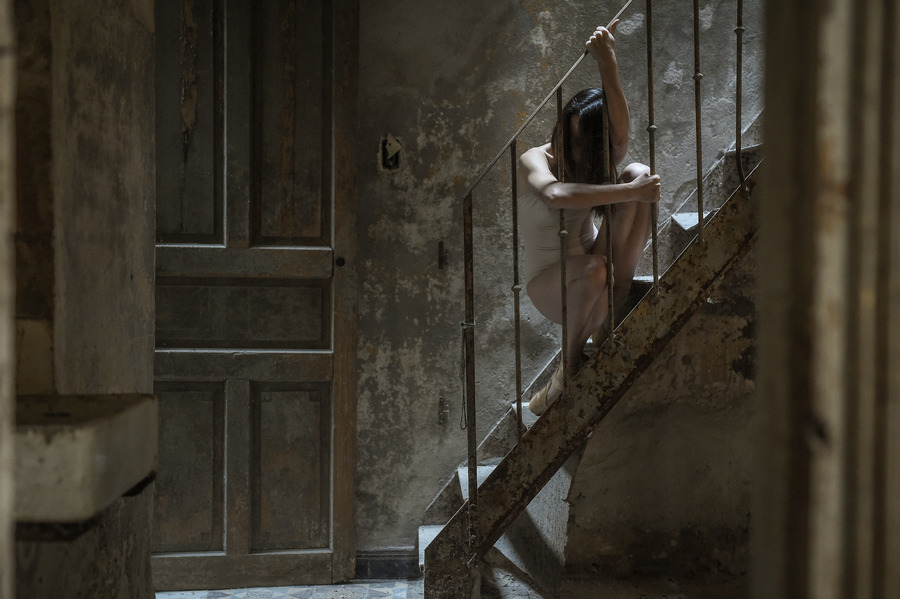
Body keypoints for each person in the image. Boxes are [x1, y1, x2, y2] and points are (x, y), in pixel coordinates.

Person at [520, 21, 661, 415]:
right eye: (569, 137)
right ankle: (566, 369)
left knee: (637, 171)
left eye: (584, 142)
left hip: (599, 272)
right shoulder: (535, 159)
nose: (574, 149)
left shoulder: (596, 162)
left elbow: (620, 137)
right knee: (597, 265)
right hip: (551, 284)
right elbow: (554, 195)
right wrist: (631, 193)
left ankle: (606, 324)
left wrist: (607, 62)